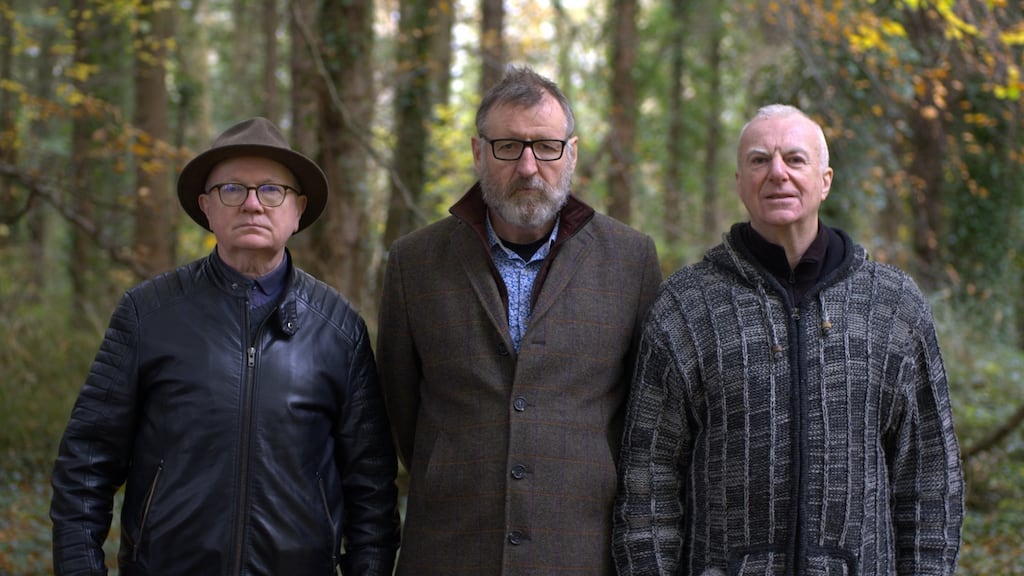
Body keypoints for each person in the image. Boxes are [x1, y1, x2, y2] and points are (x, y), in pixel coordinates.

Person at [612, 104, 964, 575]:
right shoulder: (687, 305)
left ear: (825, 180)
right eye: (759, 160)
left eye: (795, 159)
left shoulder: (893, 304)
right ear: (740, 182)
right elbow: (647, 479)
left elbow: (930, 475)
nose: (777, 172)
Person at [49, 117, 400, 575]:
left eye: (271, 190)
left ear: (297, 211)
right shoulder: (147, 314)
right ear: (206, 208)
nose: (252, 204)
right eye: (232, 189)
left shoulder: (339, 330)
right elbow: (86, 464)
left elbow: (371, 490)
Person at [376, 65, 661, 575]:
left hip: (579, 553)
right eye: (508, 147)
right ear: (478, 151)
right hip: (449, 551)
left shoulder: (631, 260)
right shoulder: (413, 263)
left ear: (570, 153)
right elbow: (401, 416)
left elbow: (643, 421)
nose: (529, 166)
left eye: (546, 147)